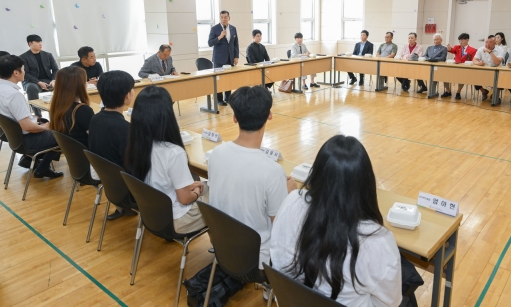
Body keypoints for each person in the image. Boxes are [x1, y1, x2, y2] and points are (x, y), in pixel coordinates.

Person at [270, 135, 403, 305]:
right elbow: (390, 302)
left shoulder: (292, 200)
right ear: (366, 183)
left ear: (317, 173)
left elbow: (277, 258)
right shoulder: (378, 241)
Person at [208, 86, 296, 270]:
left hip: (222, 247)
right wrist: (289, 195)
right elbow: (281, 228)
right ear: (269, 115)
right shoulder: (273, 172)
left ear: (234, 118)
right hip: (256, 260)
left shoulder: (217, 153)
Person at [125, 86, 207, 233]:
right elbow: (185, 199)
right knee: (220, 192)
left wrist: (189, 187)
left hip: (152, 215)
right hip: (177, 221)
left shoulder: (137, 145)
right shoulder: (174, 152)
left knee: (203, 185)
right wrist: (196, 191)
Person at [0, 55, 62, 179]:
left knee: (45, 122)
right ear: (16, 73)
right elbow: (28, 127)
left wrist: (33, 119)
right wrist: (46, 127)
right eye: (23, 69)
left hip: (13, 138)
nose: (25, 72)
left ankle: (33, 161)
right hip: (27, 141)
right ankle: (42, 167)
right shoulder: (14, 95)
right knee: (64, 132)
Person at [88, 70, 137, 220]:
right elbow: (135, 167)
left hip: (111, 186)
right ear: (127, 95)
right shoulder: (125, 129)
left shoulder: (95, 119)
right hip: (132, 191)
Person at [49, 67, 95, 148]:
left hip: (72, 153)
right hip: (87, 153)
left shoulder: (57, 107)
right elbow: (96, 139)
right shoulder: (83, 110)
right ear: (80, 85)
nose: (87, 84)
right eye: (85, 81)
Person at [20, 34, 59, 117]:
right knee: (31, 88)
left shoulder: (48, 55)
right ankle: (38, 116)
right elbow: (25, 74)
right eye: (37, 42)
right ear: (30, 43)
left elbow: (55, 69)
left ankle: (61, 113)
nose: (40, 44)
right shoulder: (23, 57)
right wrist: (38, 82)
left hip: (48, 80)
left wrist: (53, 80)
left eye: (41, 42)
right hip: (32, 82)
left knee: (64, 84)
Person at [208, 10, 239, 106]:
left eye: (225, 17)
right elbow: (210, 43)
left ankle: (228, 97)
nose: (223, 19)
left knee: (228, 78)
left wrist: (236, 56)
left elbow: (235, 43)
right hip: (219, 59)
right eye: (221, 17)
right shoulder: (215, 29)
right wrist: (220, 37)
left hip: (230, 58)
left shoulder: (233, 28)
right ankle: (219, 99)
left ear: (229, 18)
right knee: (219, 79)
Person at [442, 33, 477, 99]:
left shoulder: (473, 50)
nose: (460, 42)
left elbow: (473, 60)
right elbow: (452, 50)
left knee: (462, 76)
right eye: (459, 41)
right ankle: (448, 91)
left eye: (462, 40)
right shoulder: (457, 47)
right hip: (455, 67)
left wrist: (466, 63)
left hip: (464, 69)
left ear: (467, 40)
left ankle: (458, 92)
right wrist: (449, 49)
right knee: (445, 74)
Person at [473, 35, 504, 101]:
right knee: (474, 77)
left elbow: (497, 62)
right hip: (484, 71)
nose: (488, 44)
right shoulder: (481, 49)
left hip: (496, 72)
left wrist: (490, 52)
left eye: (490, 42)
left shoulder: (500, 50)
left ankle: (495, 95)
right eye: (486, 42)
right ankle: (483, 91)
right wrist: (478, 63)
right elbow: (474, 59)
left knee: (498, 80)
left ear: (495, 43)